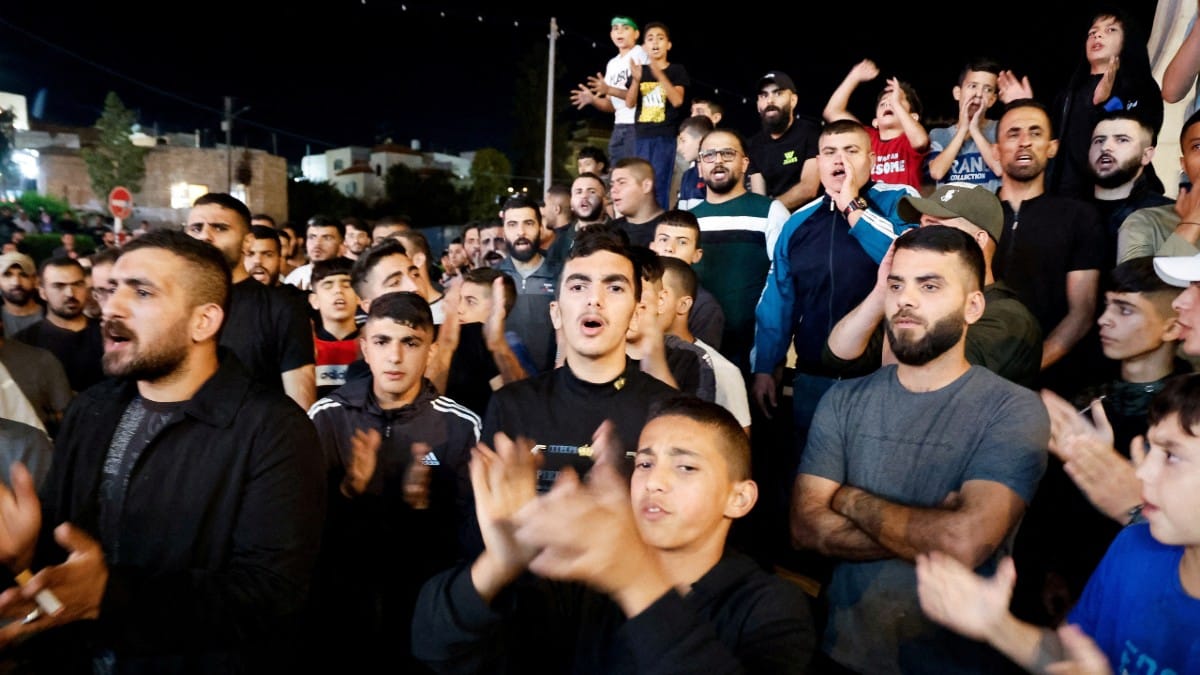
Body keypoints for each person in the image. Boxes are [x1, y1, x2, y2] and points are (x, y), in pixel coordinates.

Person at [0, 229, 326, 671]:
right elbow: (69, 556)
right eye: (112, 289)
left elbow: (270, 593)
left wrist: (110, 594)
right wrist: (25, 554)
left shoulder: (273, 430)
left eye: (142, 292)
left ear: (203, 321)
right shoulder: (92, 409)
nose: (110, 307)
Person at [793, 225, 1050, 673]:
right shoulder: (843, 400)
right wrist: (927, 527)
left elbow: (962, 542)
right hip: (840, 654)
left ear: (973, 306)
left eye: (929, 286)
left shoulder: (1012, 408)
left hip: (957, 664)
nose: (905, 300)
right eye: (896, 285)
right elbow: (806, 529)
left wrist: (848, 498)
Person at [412, 397, 817, 674]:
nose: (654, 481)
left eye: (686, 468)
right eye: (644, 463)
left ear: (739, 498)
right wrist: (500, 562)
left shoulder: (773, 608)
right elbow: (435, 647)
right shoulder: (585, 584)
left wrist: (635, 578)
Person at [916, 371, 1200, 675]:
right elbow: (1076, 655)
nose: (1142, 473)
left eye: (1171, 455)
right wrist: (997, 625)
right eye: (1149, 450)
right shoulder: (1134, 547)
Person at [306, 290, 479, 673]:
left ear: (430, 351)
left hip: (424, 605)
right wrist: (351, 492)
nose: (395, 357)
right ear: (364, 348)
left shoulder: (460, 426)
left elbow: (474, 537)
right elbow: (301, 528)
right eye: (382, 342)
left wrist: (424, 508)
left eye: (411, 343)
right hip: (341, 604)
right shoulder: (326, 417)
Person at [1021, 256, 1192, 626]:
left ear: (1172, 326)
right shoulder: (1083, 398)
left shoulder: (1184, 420)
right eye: (1106, 306)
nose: (1103, 320)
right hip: (1073, 582)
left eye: (1125, 309)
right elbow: (1053, 502)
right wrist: (1053, 569)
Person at [481, 227, 681, 494]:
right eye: (578, 286)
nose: (594, 300)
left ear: (636, 315)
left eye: (614, 287)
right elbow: (482, 519)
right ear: (556, 313)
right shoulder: (511, 406)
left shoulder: (671, 411)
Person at [753, 119, 917, 435]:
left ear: (871, 159)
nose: (839, 160)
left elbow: (908, 263)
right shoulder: (797, 223)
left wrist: (852, 207)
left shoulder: (899, 200)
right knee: (807, 478)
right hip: (813, 379)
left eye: (851, 150)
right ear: (819, 162)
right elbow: (778, 299)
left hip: (880, 379)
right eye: (829, 152)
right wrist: (765, 366)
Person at [825, 182, 1044, 390]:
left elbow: (913, 385)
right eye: (920, 228)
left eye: (935, 230)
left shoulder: (1009, 318)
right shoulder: (920, 302)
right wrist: (884, 288)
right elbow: (838, 356)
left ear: (978, 241)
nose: (918, 238)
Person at [989, 99, 1108, 396]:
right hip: (975, 376)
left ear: (1052, 147)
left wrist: (1026, 369)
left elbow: (1082, 312)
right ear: (995, 150)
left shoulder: (1079, 217)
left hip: (1052, 385)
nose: (1025, 142)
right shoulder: (972, 216)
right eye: (1013, 133)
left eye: (1035, 132)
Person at [1000, 9, 1165, 200]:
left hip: (1118, 200)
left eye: (1110, 30)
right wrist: (1025, 106)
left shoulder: (1140, 85)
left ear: (1128, 40)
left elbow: (1139, 138)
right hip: (1066, 199)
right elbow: (1051, 143)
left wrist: (1104, 104)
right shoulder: (1069, 92)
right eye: (1092, 32)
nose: (1097, 34)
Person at [186, 193, 318, 411]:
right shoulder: (169, 305)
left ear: (247, 242)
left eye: (219, 228)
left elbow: (301, 407)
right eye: (196, 228)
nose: (205, 236)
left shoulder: (281, 309)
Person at [689, 129, 789, 372]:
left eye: (727, 153)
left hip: (751, 356)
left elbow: (785, 287)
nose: (718, 160)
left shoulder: (770, 211)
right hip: (694, 354)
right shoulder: (688, 220)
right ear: (700, 166)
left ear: (744, 163)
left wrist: (769, 363)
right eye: (709, 155)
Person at [657, 256, 750, 434]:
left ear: (683, 304)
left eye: (659, 295)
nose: (643, 302)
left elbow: (737, 446)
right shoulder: (627, 359)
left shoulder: (721, 370)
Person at [432, 267, 535, 417]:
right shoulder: (441, 340)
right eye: (458, 299)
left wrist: (497, 346)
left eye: (470, 302)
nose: (459, 309)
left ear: (498, 310)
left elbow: (521, 405)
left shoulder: (510, 349)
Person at [823, 59, 930, 191]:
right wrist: (854, 76)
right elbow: (832, 111)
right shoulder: (867, 137)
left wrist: (895, 102)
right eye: (883, 103)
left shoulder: (909, 140)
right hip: (868, 209)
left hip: (902, 208)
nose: (888, 104)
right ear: (875, 122)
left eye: (896, 102)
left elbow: (920, 142)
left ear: (913, 117)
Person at [1117, 108, 1200, 262]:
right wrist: (1191, 223)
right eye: (1198, 147)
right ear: (1184, 164)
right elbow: (1133, 285)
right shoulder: (1146, 223)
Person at [14, 257, 105, 394]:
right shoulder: (23, 343)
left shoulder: (109, 334)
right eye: (59, 286)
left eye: (77, 284)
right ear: (42, 292)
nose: (70, 293)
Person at [1087, 110, 1173, 255]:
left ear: (1146, 155)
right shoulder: (1065, 211)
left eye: (1122, 139)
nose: (1105, 147)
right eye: (1099, 140)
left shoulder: (1165, 213)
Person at [493, 194, 561, 374]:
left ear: (540, 227)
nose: (520, 232)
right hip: (507, 383)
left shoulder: (562, 275)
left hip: (552, 382)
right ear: (504, 231)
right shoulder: (493, 279)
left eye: (528, 223)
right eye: (512, 224)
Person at [625, 21, 689, 210]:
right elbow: (629, 103)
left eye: (660, 38)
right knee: (640, 182)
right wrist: (636, 80)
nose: (655, 43)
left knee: (660, 182)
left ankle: (658, 222)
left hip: (664, 136)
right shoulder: (640, 71)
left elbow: (677, 100)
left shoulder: (676, 70)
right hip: (641, 137)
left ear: (668, 44)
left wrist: (658, 73)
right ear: (644, 45)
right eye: (650, 39)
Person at [569, 16, 647, 165]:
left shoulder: (640, 53)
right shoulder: (612, 64)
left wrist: (609, 88)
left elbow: (640, 95)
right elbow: (611, 105)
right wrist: (593, 99)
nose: (619, 32)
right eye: (615, 28)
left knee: (633, 171)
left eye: (625, 28)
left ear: (636, 34)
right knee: (616, 175)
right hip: (619, 126)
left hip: (638, 125)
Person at [925, 57, 1004, 192]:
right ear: (957, 93)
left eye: (987, 89)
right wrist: (962, 130)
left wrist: (974, 130)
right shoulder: (939, 134)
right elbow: (937, 172)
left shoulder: (1000, 129)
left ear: (992, 100)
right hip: (949, 211)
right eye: (973, 86)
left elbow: (1000, 169)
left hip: (988, 211)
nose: (978, 94)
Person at [746, 70, 822, 210]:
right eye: (764, 95)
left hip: (809, 219)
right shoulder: (754, 144)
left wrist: (769, 211)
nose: (770, 101)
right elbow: (759, 195)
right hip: (774, 220)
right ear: (758, 105)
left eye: (778, 93)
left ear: (793, 100)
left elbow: (808, 189)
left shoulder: (811, 132)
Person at [649, 210, 725, 350]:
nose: (670, 248)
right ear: (652, 247)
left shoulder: (706, 307)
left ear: (696, 255)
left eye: (682, 242)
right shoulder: (635, 292)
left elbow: (703, 362)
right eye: (664, 239)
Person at [309, 257, 361, 399]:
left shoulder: (373, 346)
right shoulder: (305, 349)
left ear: (359, 297)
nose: (338, 290)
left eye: (347, 284)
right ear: (314, 300)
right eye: (328, 285)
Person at [546, 172, 611, 265]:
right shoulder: (561, 242)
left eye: (592, 191)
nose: (584, 196)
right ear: (571, 203)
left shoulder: (620, 235)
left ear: (605, 200)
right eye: (578, 192)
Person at [609, 157, 667, 247]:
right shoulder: (610, 230)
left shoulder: (671, 229)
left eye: (622, 183)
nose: (613, 190)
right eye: (612, 185)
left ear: (646, 186)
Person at [284, 214, 346, 292]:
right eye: (312, 237)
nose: (317, 243)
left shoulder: (353, 278)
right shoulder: (295, 278)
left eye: (327, 238)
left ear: (342, 246)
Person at [672, 114, 712, 211]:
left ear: (701, 141)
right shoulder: (687, 175)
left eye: (683, 140)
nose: (678, 148)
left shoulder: (716, 173)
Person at [0, 252, 44, 338]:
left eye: (24, 275)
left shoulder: (56, 316)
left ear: (35, 280)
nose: (16, 282)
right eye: (7, 275)